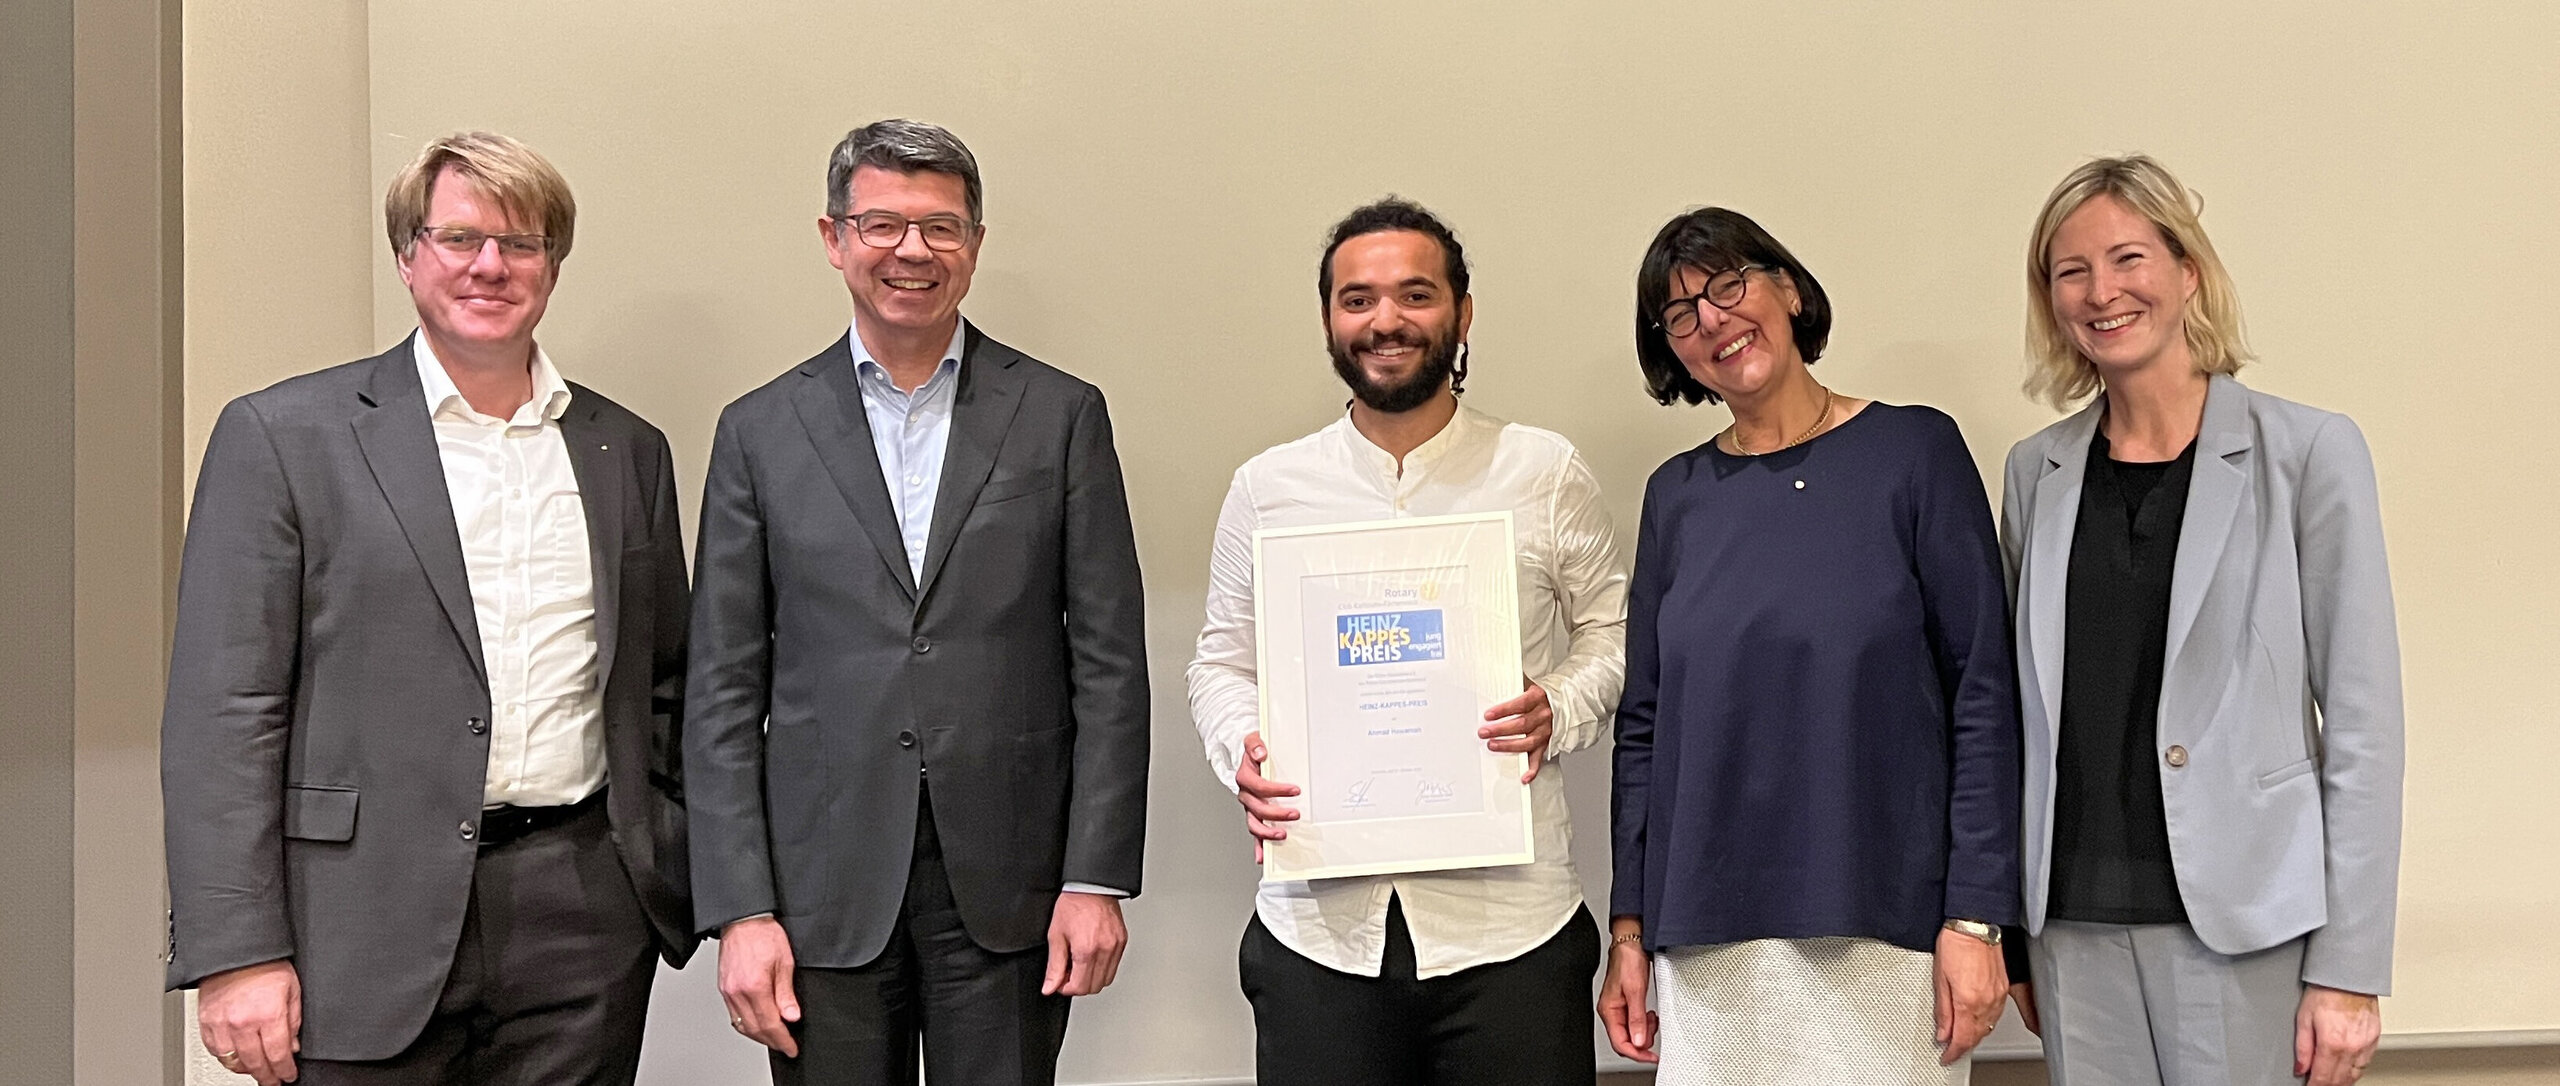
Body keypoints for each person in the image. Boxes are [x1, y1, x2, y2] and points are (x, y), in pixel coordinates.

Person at [161, 131, 697, 1085]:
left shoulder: (627, 450)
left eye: (521, 244)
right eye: (459, 239)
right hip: (354, 922)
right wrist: (235, 949)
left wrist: (652, 865)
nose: (491, 266)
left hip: (582, 921)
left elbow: (665, 684)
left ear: (553, 266)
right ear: (409, 256)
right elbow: (224, 713)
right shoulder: (284, 438)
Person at [685, 118, 1149, 1086]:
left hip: (1008, 884)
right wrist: (740, 908)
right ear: (833, 238)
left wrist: (1093, 877)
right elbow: (721, 690)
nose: (912, 251)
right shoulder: (759, 431)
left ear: (974, 246)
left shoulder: (1060, 416)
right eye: (883, 224)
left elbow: (1108, 663)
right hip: (820, 889)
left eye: (940, 228)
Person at [1186, 197, 1626, 1086]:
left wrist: (1558, 710)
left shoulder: (1541, 471)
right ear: (1329, 321)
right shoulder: (1271, 487)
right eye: (1358, 299)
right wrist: (1247, 752)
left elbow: (1613, 638)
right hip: (1319, 937)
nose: (1386, 320)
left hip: (1514, 934)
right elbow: (1221, 663)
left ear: (1462, 314)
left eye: (1415, 295)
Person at [1999, 154, 2403, 1086]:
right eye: (2071, 271)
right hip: (2070, 927)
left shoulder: (2308, 453)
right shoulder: (2036, 474)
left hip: (2247, 927)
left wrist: (2349, 967)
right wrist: (2011, 935)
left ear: (2188, 271)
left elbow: (2365, 726)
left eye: (2129, 258)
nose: (2102, 292)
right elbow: (2022, 716)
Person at [1598, 207, 2021, 1084]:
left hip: (1886, 927)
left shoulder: (1913, 452)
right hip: (1706, 940)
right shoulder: (1675, 497)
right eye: (1680, 315)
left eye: (1728, 285)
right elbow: (1643, 729)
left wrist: (1979, 919)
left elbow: (1983, 687)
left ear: (1787, 290)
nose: (1712, 320)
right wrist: (1629, 933)